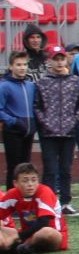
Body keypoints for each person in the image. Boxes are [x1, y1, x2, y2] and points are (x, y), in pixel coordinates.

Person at [32, 47, 79, 215]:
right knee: (50, 169)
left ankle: (66, 202)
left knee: (66, 169)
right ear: (50, 61)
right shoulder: (42, 82)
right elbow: (37, 106)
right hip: (48, 133)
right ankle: (48, 203)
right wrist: (45, 123)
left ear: (66, 60)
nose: (59, 62)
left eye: (62, 59)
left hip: (69, 132)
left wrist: (73, 122)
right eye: (56, 59)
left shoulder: (75, 81)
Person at [0, 163, 67, 254]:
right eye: (25, 181)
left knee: (47, 232)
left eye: (34, 180)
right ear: (16, 183)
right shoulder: (12, 194)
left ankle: (18, 247)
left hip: (53, 235)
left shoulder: (44, 191)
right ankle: (22, 248)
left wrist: (18, 237)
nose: (30, 184)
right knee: (3, 230)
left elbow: (43, 223)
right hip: (26, 235)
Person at [0, 51, 36, 183]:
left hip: (28, 130)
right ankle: (11, 198)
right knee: (14, 167)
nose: (22, 67)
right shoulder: (4, 86)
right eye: (18, 64)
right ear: (11, 67)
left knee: (26, 167)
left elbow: (34, 106)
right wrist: (13, 121)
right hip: (13, 131)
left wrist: (33, 123)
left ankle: (23, 198)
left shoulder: (30, 85)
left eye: (24, 64)